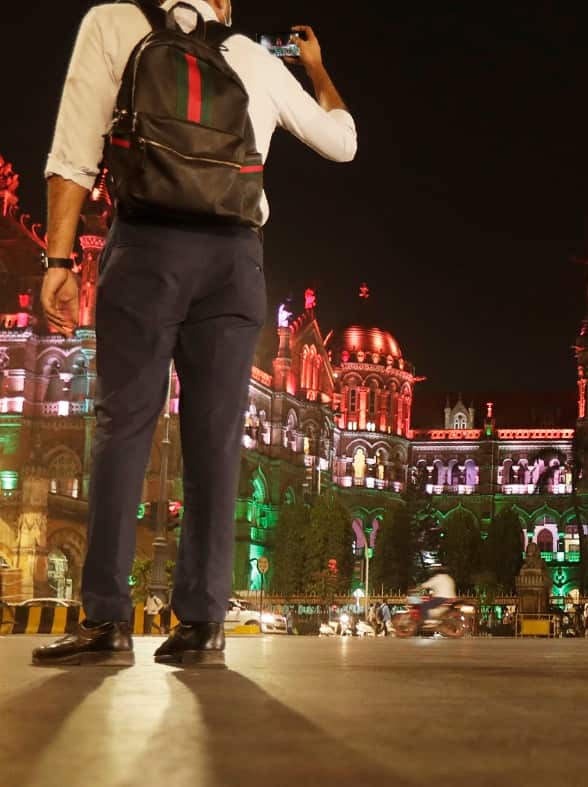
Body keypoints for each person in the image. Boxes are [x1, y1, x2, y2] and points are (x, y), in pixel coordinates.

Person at [33, 0, 356, 668]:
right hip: (235, 261)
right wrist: (318, 71)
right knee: (216, 433)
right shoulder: (254, 57)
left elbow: (73, 153)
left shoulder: (115, 24)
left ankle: (105, 621)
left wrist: (60, 261)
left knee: (125, 423)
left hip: (145, 249)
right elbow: (343, 143)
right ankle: (203, 623)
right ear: (226, 4)